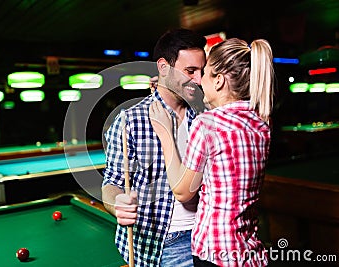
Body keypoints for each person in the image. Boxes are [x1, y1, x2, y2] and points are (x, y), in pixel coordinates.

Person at [149, 38, 274, 266]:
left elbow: (183, 192)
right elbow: (226, 111)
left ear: (218, 81)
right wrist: (169, 84)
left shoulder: (207, 123)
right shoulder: (262, 122)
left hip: (215, 253)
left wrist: (165, 133)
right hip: (250, 253)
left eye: (204, 73)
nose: (198, 80)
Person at [102, 28, 207, 266]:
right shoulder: (130, 119)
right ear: (163, 68)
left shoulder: (206, 113)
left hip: (208, 234)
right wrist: (117, 202)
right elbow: (111, 183)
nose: (198, 80)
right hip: (163, 243)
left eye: (202, 71)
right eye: (190, 71)